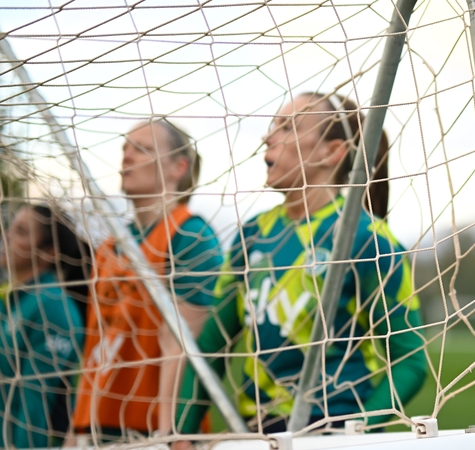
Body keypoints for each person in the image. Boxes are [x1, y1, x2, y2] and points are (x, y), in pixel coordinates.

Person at [172, 93, 426, 439]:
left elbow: (410, 361)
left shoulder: (368, 240)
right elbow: (211, 349)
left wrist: (356, 434)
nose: (267, 136)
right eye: (272, 125)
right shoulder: (252, 235)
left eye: (287, 126)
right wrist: (181, 434)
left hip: (332, 427)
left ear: (332, 152)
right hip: (257, 433)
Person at [71, 119, 223, 442]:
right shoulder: (110, 247)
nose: (127, 156)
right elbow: (95, 341)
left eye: (141, 149)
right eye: (126, 148)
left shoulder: (189, 235)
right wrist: (76, 427)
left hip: (151, 428)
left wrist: (171, 433)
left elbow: (182, 346)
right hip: (96, 421)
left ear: (178, 167)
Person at [0, 204, 88, 448]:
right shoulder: (17, 301)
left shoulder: (52, 306)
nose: (6, 235)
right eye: (10, 228)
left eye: (21, 232)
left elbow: (35, 401)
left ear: (48, 252)